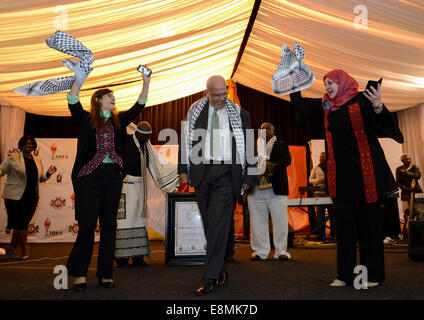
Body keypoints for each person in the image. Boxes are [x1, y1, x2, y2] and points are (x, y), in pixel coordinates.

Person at [290, 69, 404, 288]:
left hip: (365, 177)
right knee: (344, 230)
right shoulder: (326, 105)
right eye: (326, 84)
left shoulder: (361, 100)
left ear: (343, 83)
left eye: (331, 83)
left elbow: (386, 125)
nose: (328, 88)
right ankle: (345, 275)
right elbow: (301, 107)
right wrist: (293, 85)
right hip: (339, 179)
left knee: (369, 228)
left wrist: (378, 106)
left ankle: (373, 275)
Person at [65, 65, 151, 292]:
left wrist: (146, 81)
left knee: (110, 226)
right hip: (88, 179)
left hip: (112, 179)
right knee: (86, 226)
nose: (114, 99)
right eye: (109, 97)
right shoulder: (85, 120)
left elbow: (139, 104)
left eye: (114, 97)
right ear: (98, 101)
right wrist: (78, 77)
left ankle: (105, 274)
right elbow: (72, 99)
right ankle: (80, 274)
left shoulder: (119, 121)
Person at [178, 75, 255, 296]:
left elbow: (249, 146)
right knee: (212, 227)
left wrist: (249, 178)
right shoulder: (195, 112)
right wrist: (183, 169)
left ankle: (210, 277)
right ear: (207, 93)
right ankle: (221, 271)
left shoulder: (240, 115)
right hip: (202, 174)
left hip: (226, 175)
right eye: (216, 95)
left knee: (218, 223)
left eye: (224, 94)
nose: (221, 98)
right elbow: (186, 140)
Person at [0, 136, 56, 260]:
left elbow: (40, 178)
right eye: (25, 143)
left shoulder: (37, 160)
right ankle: (25, 248)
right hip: (14, 197)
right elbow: (1, 171)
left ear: (34, 146)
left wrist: (48, 174)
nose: (28, 145)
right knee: (21, 224)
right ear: (21, 145)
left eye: (31, 144)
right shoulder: (12, 158)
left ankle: (11, 247)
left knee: (22, 223)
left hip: (31, 197)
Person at [248, 122, 292, 262]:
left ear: (273, 131)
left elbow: (287, 160)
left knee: (280, 221)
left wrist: (272, 166)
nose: (265, 131)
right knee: (257, 221)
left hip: (276, 189)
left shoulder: (281, 144)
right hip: (256, 189)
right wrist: (258, 169)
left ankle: (281, 251)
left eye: (268, 128)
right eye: (262, 129)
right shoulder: (252, 146)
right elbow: (247, 163)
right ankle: (260, 252)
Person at [114, 121, 153, 268]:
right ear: (137, 133)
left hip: (140, 187)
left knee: (140, 221)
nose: (146, 139)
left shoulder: (146, 147)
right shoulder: (127, 141)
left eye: (148, 137)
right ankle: (122, 257)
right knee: (125, 221)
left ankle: (138, 256)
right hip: (127, 186)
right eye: (144, 137)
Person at [308, 152, 335, 241]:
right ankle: (320, 236)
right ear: (319, 158)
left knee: (333, 214)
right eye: (321, 157)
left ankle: (334, 234)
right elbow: (310, 180)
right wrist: (320, 180)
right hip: (319, 193)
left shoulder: (331, 168)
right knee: (320, 215)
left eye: (324, 157)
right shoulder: (316, 168)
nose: (323, 158)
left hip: (330, 193)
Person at [396, 153, 422, 236]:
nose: (408, 160)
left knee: (420, 211)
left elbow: (418, 175)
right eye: (406, 159)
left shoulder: (414, 168)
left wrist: (407, 173)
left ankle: (419, 231)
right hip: (406, 195)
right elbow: (398, 183)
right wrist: (408, 189)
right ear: (402, 161)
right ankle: (407, 233)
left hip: (417, 193)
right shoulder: (399, 169)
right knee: (408, 214)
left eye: (409, 159)